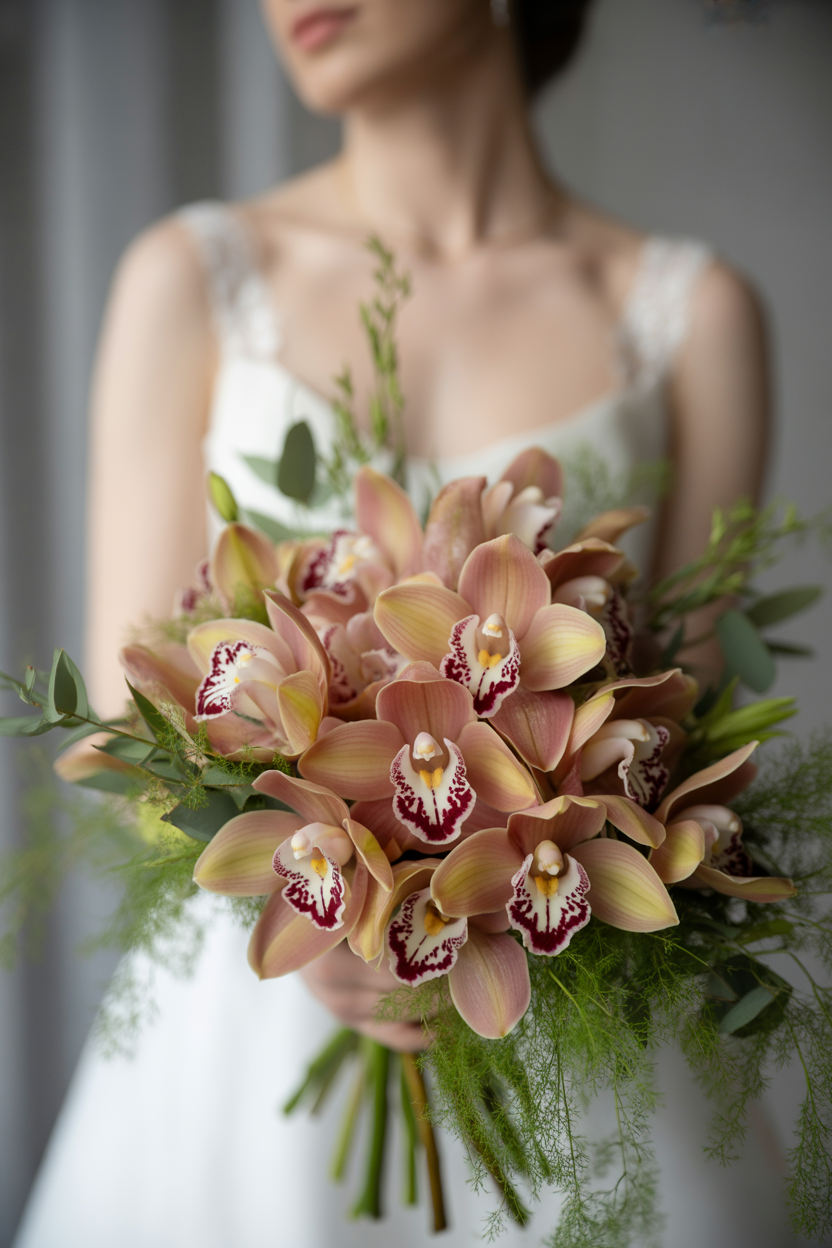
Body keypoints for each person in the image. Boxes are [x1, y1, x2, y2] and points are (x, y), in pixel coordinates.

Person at [14, 2, 795, 1245]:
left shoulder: (692, 316)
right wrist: (338, 901)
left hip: (575, 1024)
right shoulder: (194, 277)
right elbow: (132, 714)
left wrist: (490, 871)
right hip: (259, 1018)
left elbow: (673, 745)